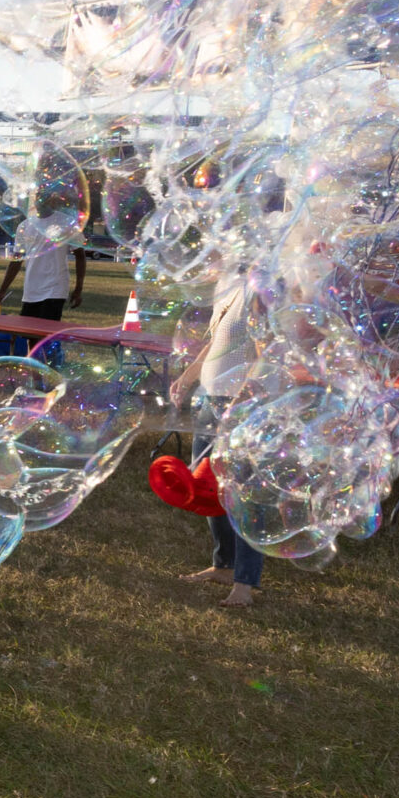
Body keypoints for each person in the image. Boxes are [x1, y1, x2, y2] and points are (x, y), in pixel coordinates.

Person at [164, 260, 261, 608]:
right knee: (208, 488)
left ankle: (245, 584)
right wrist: (189, 376)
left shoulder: (260, 288)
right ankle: (223, 565)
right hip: (210, 399)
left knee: (241, 493)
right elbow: (216, 343)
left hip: (240, 405)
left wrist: (243, 399)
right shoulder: (229, 284)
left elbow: (267, 353)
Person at [0, 237, 87, 321]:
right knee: (28, 332)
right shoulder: (24, 226)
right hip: (31, 290)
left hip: (55, 290)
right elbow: (16, 261)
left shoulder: (66, 226)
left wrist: (78, 288)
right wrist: (2, 291)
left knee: (45, 331)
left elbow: (80, 255)